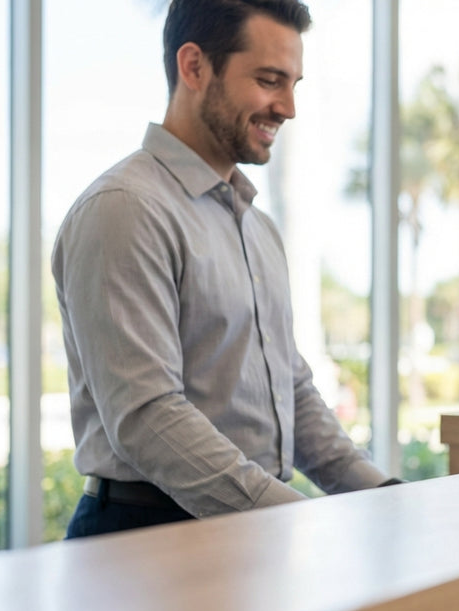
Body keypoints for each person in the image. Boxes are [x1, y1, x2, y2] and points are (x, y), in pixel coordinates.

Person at [53, 0, 399, 540]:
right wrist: (293, 520)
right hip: (145, 537)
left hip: (248, 529)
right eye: (268, 80)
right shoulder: (124, 208)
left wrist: (385, 497)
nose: (287, 107)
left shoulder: (258, 229)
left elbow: (293, 389)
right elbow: (147, 418)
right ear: (194, 67)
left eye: (294, 84)